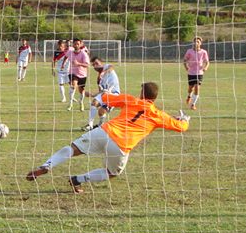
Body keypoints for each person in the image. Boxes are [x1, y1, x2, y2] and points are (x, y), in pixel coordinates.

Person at [26, 82, 190, 193]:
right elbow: (181, 127)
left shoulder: (131, 100)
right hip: (120, 146)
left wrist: (104, 95)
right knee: (112, 173)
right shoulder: (159, 115)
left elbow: (105, 98)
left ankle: (47, 165)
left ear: (142, 93)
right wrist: (184, 120)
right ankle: (77, 179)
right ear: (155, 98)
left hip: (104, 131)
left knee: (72, 149)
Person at [82, 56, 121, 131]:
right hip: (104, 94)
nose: (95, 66)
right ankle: (90, 125)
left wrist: (103, 73)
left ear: (101, 63)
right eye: (93, 65)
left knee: (101, 112)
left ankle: (100, 125)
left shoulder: (106, 67)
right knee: (94, 102)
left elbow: (111, 67)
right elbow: (101, 91)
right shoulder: (99, 79)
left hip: (114, 94)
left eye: (97, 63)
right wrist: (92, 95)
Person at [183, 36, 209, 111]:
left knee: (197, 87)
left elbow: (207, 62)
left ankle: (193, 104)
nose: (196, 43)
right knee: (190, 88)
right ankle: (189, 96)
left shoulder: (203, 52)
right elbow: (185, 60)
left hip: (199, 72)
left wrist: (205, 67)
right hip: (191, 72)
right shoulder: (189, 51)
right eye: (195, 41)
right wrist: (186, 67)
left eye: (198, 41)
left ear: (200, 43)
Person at [65, 38, 90, 111]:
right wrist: (63, 64)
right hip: (72, 72)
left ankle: (81, 102)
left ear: (80, 45)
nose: (76, 45)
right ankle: (70, 104)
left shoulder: (83, 53)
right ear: (73, 44)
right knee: (73, 85)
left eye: (77, 44)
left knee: (81, 90)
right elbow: (66, 57)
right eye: (75, 44)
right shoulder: (70, 52)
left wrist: (78, 64)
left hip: (82, 74)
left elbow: (87, 65)